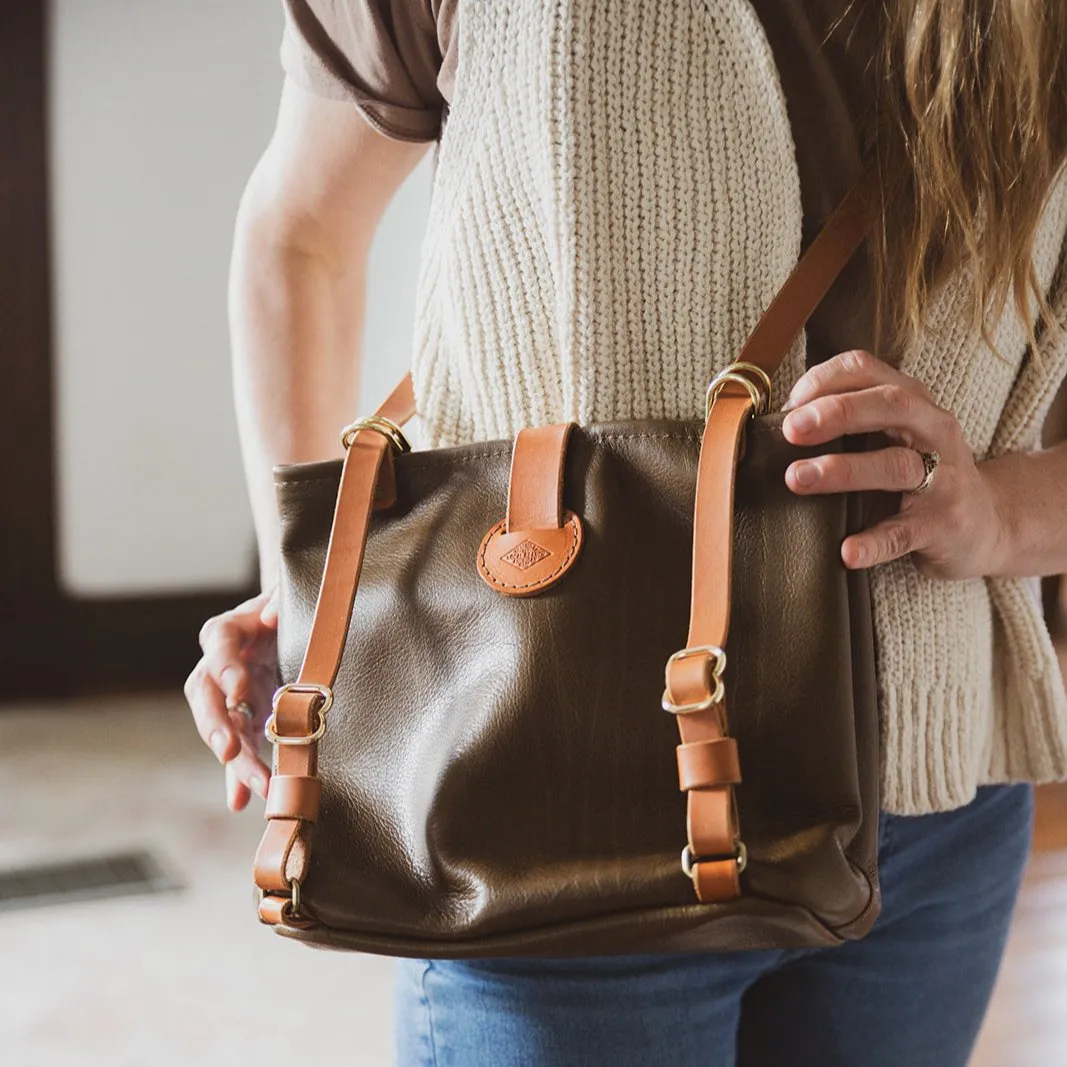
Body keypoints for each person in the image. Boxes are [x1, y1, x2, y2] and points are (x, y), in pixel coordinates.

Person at [184, 2, 1067, 1064]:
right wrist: (315, 601)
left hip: (933, 802)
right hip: (544, 784)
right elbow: (300, 232)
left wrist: (1008, 509)